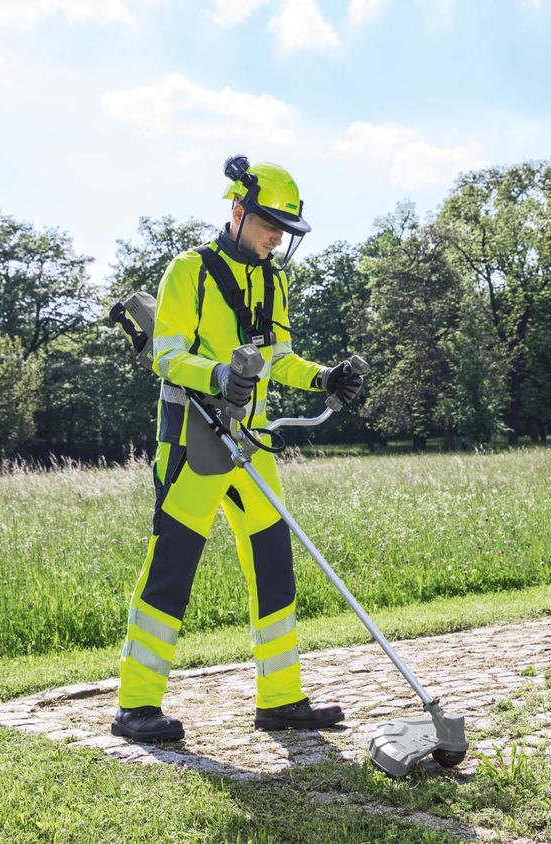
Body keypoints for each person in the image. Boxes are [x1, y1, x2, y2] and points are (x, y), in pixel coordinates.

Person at [112, 158, 364, 742]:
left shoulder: (274, 280)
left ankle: (279, 699)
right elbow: (167, 357)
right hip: (193, 442)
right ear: (238, 212)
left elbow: (278, 357)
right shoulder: (189, 271)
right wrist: (221, 373)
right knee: (171, 569)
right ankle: (136, 705)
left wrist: (324, 377)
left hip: (253, 444)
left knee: (274, 566)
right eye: (270, 224)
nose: (277, 237)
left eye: (284, 229)